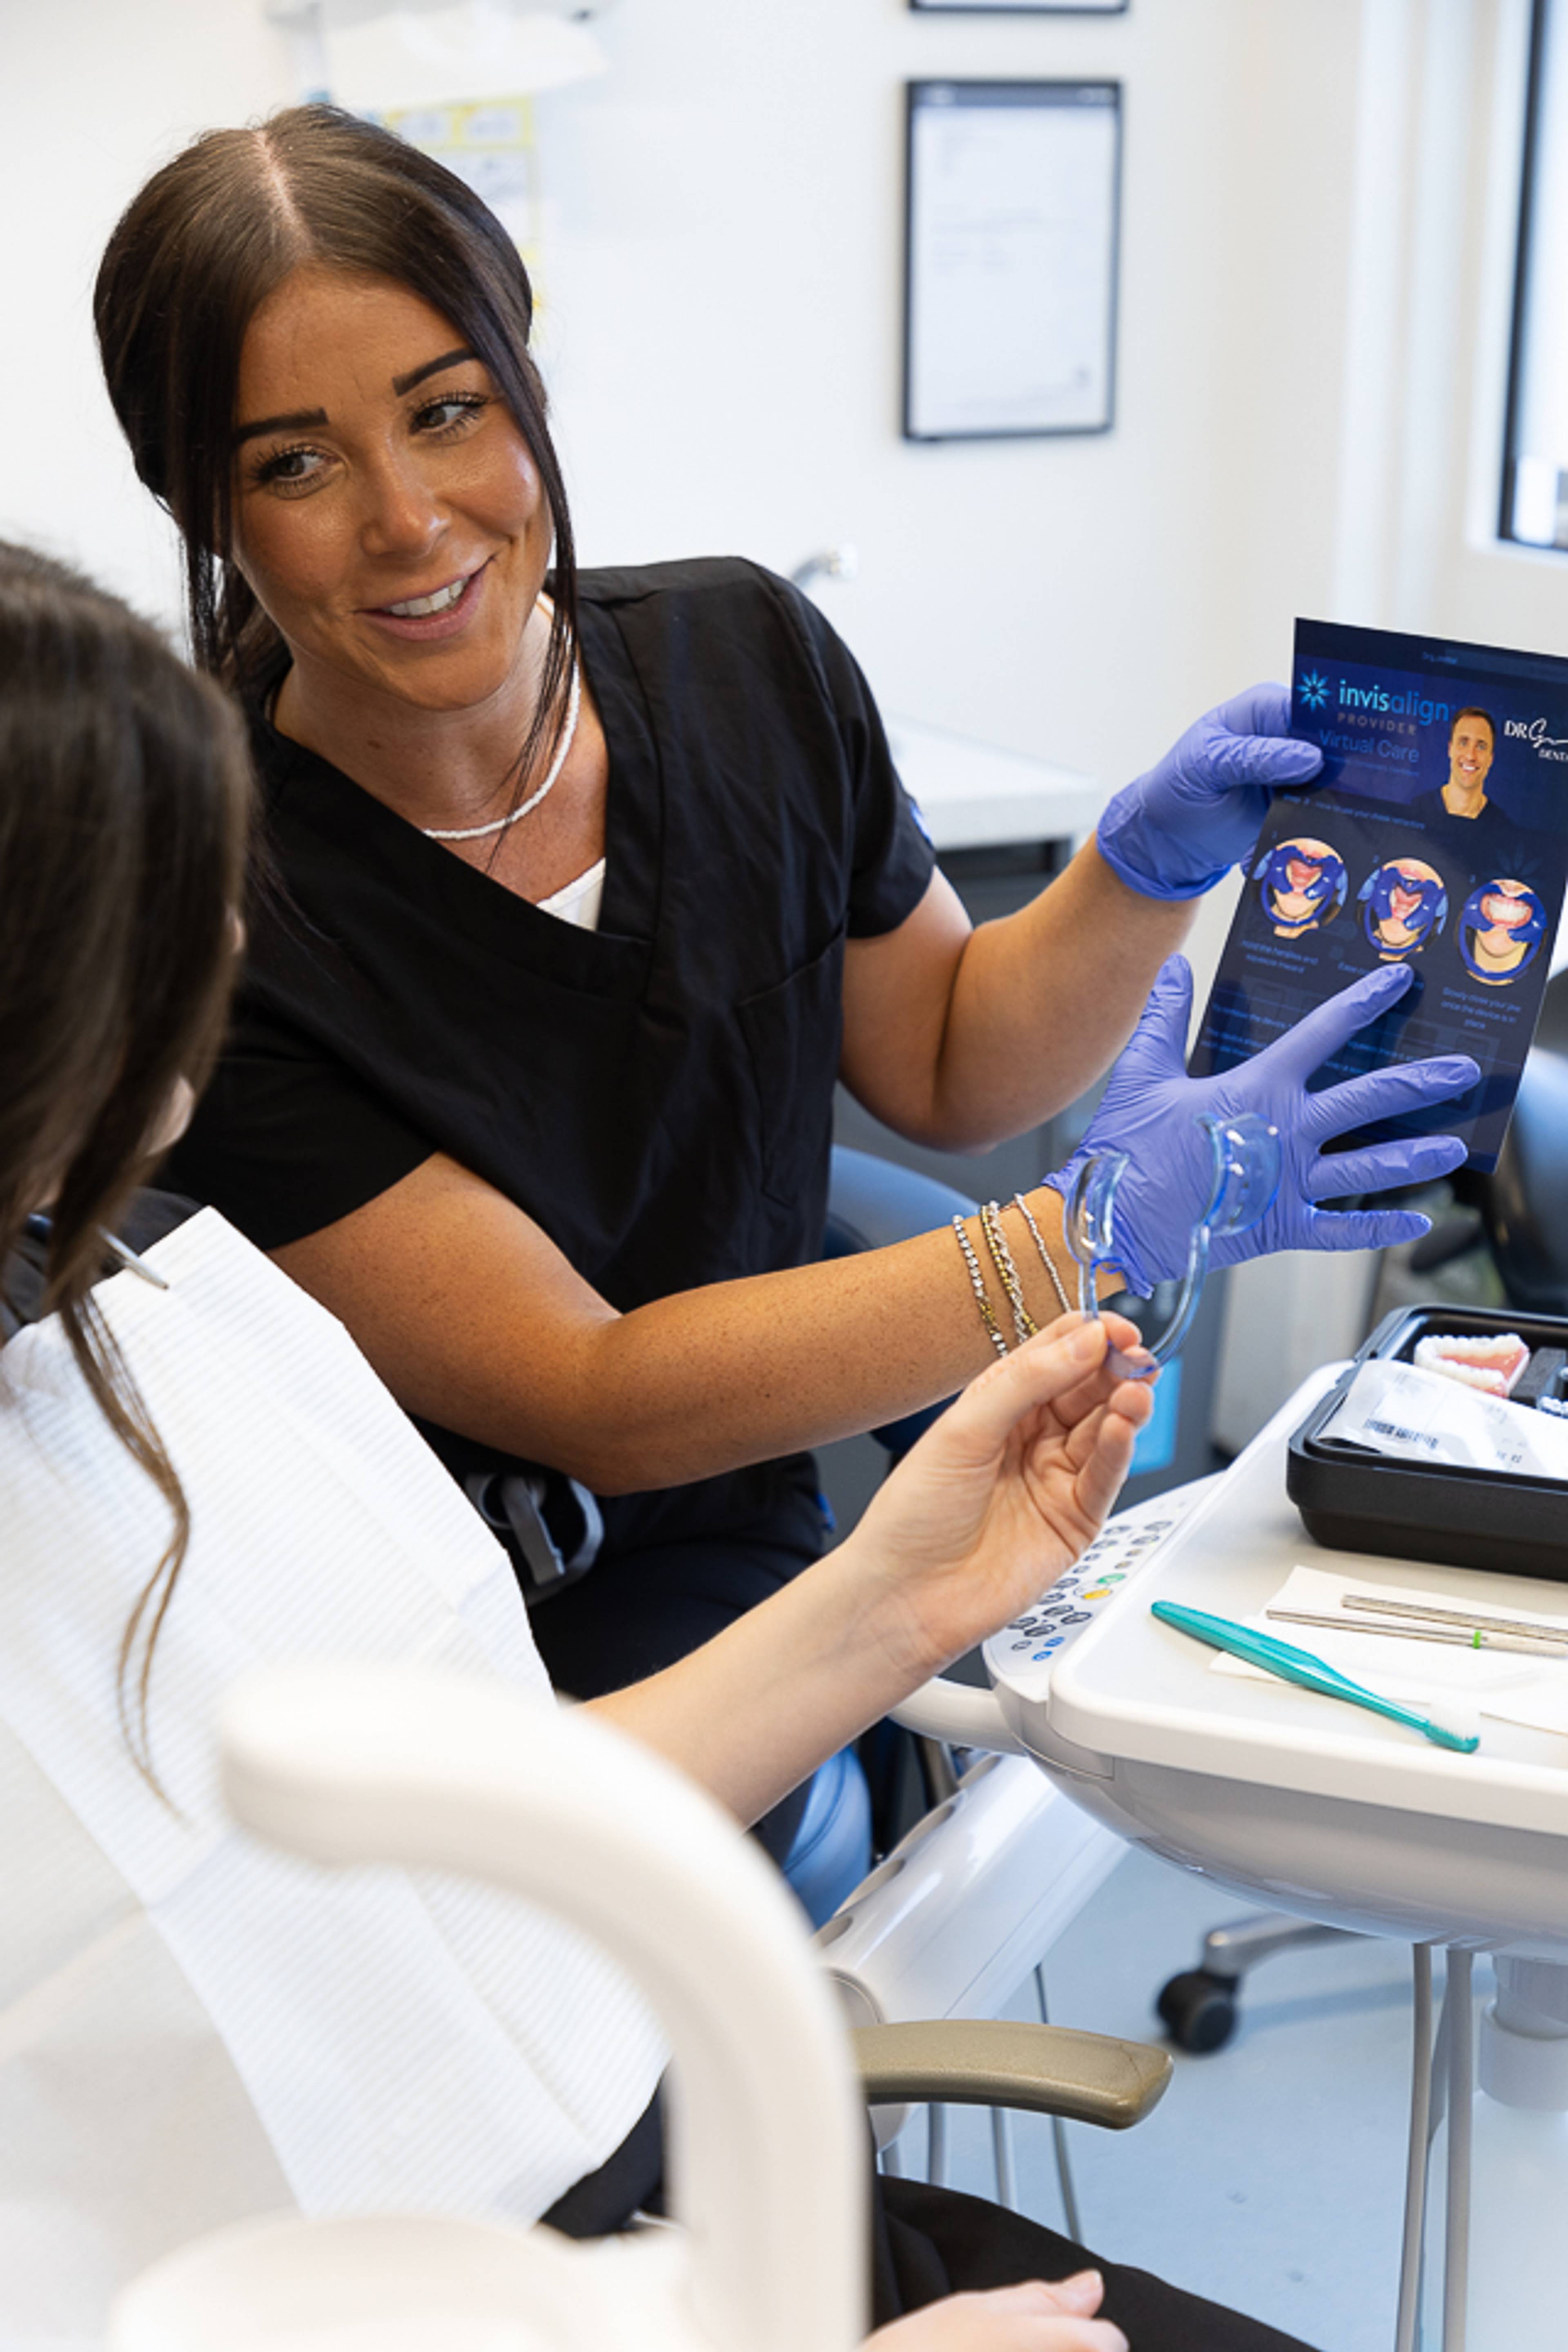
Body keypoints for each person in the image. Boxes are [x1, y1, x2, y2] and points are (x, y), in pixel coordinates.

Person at [93, 107, 1477, 1858]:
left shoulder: (741, 655)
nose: (406, 517)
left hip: (735, 1534)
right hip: (438, 1627)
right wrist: (1088, 1240)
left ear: (525, 379)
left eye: (449, 410)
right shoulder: (205, 901)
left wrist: (1141, 873)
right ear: (197, 501)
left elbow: (956, 1065)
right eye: (294, 465)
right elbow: (588, 1390)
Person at [0, 544, 1323, 2352]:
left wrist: (906, 1587)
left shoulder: (143, 1309)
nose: (232, 935)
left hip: (654, 2220)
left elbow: (498, 1808)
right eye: (179, 901)